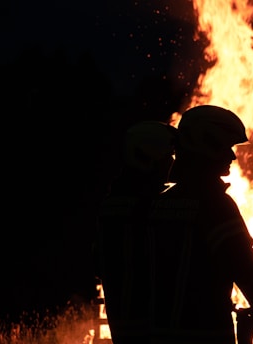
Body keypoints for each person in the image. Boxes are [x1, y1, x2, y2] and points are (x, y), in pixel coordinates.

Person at [143, 105, 253, 344]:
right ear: (207, 146)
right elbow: (243, 263)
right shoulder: (215, 206)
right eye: (227, 147)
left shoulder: (157, 206)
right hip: (206, 335)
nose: (232, 156)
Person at [95, 120, 177, 344]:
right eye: (167, 157)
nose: (172, 163)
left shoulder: (115, 202)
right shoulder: (146, 208)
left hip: (127, 323)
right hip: (145, 325)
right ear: (146, 159)